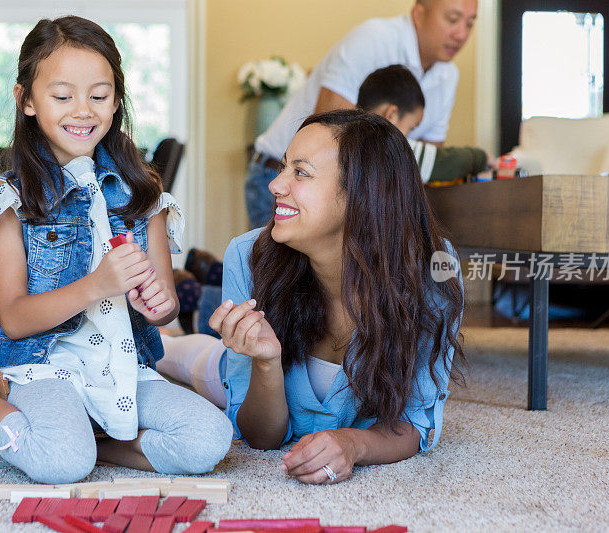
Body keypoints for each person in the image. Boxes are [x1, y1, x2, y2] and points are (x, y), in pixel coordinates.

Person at [0, 15, 232, 484]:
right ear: (26, 100)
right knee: (61, 463)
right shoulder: (7, 199)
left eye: (98, 96)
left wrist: (158, 305)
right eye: (62, 96)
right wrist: (98, 285)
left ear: (117, 102)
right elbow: (16, 318)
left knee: (210, 440)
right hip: (42, 367)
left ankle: (95, 440)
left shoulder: (146, 193)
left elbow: (163, 308)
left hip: (126, 367)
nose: (82, 111)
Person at [158, 109, 465, 485]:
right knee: (175, 357)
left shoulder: (433, 268)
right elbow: (262, 438)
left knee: (190, 352)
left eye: (300, 172)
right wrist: (266, 364)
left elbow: (415, 424)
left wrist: (353, 444)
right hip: (226, 370)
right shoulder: (247, 255)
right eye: (283, 167)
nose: (275, 185)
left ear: (363, 194)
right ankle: (162, 341)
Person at [245, 0, 478, 228]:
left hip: (346, 191)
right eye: (453, 19)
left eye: (470, 24)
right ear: (418, 14)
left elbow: (427, 160)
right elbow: (330, 138)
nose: (461, 34)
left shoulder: (448, 75)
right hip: (284, 176)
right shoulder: (374, 40)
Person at [357, 65, 489, 183]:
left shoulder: (348, 140)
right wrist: (483, 158)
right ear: (392, 115)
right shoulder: (385, 149)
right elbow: (444, 162)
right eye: (411, 128)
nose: (409, 137)